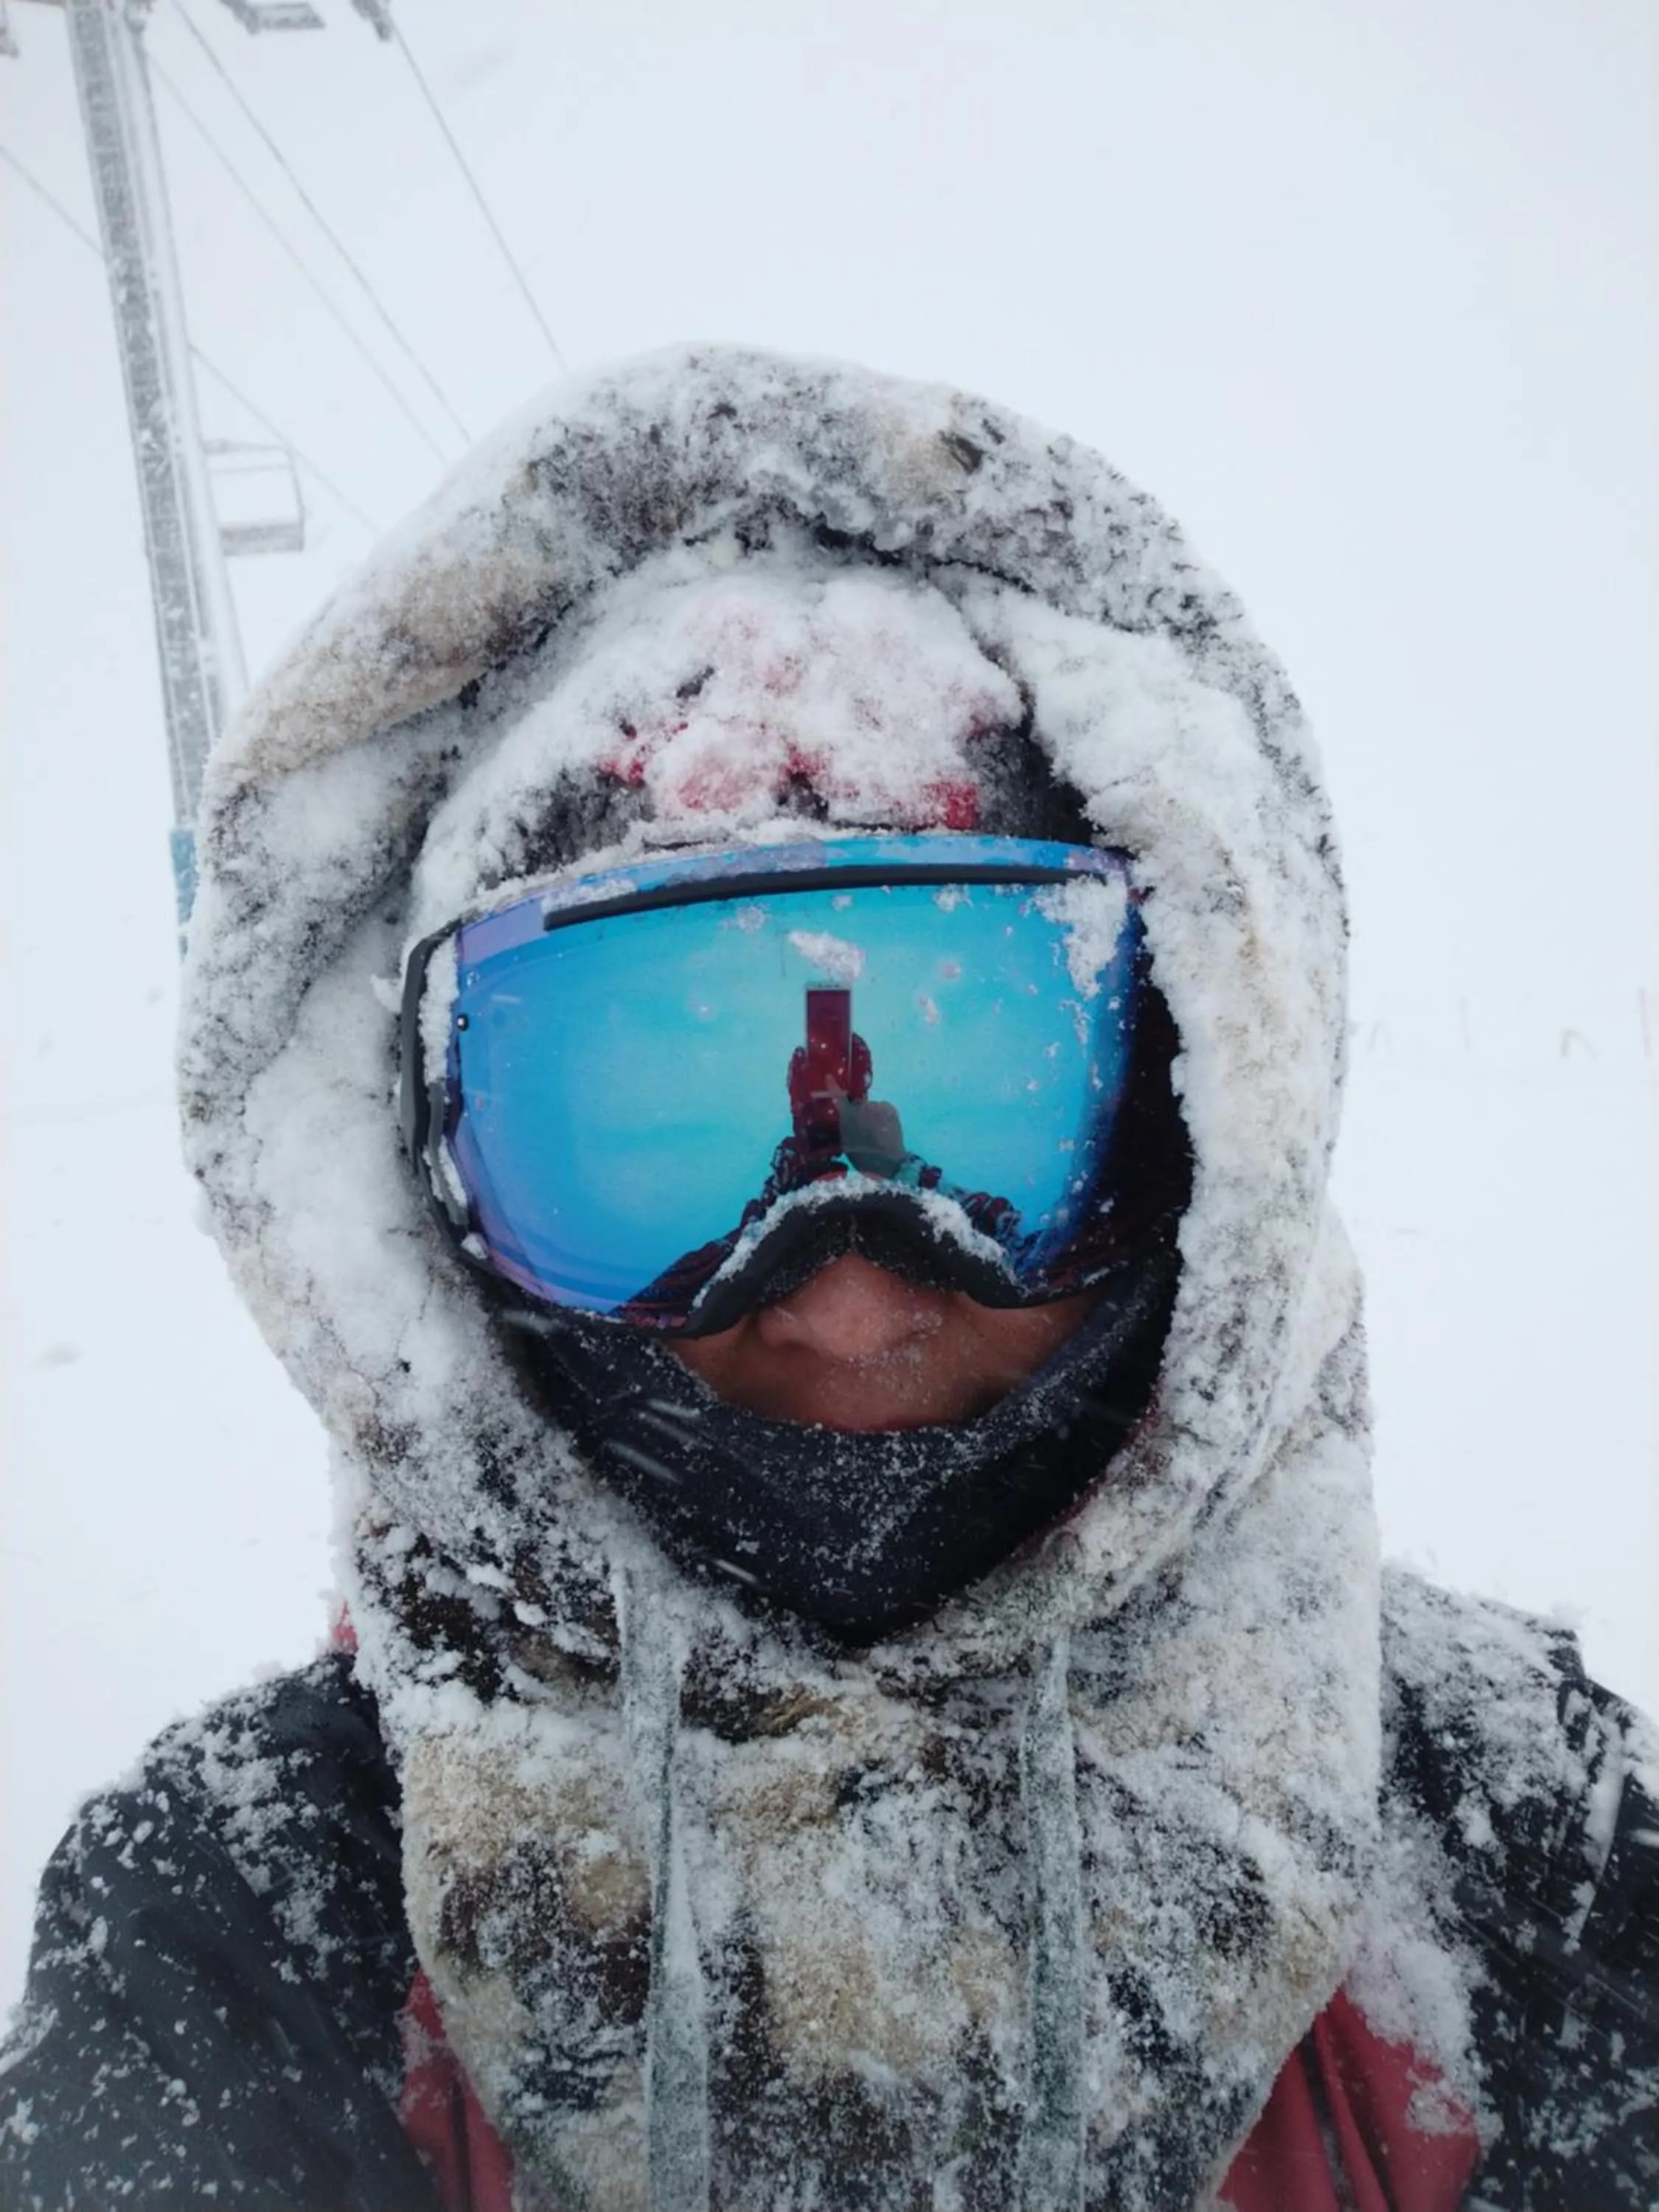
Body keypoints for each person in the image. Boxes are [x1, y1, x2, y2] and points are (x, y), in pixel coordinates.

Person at [1, 345, 1654, 2212]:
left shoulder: (1521, 1849)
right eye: (633, 1145)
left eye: (1009, 1109)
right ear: (433, 1210)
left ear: (1213, 1125)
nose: (850, 1299)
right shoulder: (255, 1924)